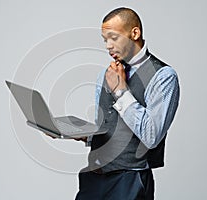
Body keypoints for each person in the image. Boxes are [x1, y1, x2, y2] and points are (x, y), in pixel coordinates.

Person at [74, 7, 180, 200]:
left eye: (114, 38)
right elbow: (110, 129)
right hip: (94, 177)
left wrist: (121, 91)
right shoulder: (105, 74)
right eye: (105, 40)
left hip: (130, 180)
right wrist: (83, 135)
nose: (108, 46)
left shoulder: (163, 77)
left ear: (135, 33)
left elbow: (151, 136)